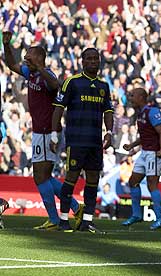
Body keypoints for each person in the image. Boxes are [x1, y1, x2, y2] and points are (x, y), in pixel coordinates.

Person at [2, 31, 82, 230]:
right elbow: (12, 65)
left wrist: (39, 67)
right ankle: (74, 208)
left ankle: (56, 220)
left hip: (48, 131)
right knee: (43, 177)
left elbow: (57, 86)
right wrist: (6, 44)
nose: (26, 58)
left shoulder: (47, 76)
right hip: (39, 132)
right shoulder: (31, 73)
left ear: (39, 58)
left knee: (40, 177)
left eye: (30, 54)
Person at [51, 48, 114, 233]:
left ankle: (86, 221)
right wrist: (55, 134)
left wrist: (109, 132)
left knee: (93, 179)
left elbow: (108, 111)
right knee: (71, 177)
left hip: (95, 142)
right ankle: (63, 219)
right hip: (76, 140)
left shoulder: (104, 86)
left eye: (96, 59)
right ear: (82, 61)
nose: (93, 62)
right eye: (89, 59)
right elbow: (58, 107)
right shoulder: (72, 82)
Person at [121, 88, 161, 230]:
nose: (130, 98)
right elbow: (146, 135)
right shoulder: (140, 114)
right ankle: (137, 215)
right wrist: (132, 145)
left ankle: (159, 219)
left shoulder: (152, 112)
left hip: (153, 153)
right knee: (133, 181)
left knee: (152, 184)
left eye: (133, 95)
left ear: (141, 97)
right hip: (145, 152)